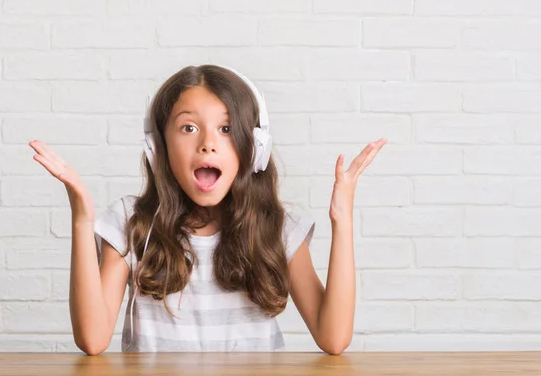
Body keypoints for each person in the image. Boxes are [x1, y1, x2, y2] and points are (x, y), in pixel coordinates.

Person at [29, 64, 387, 355]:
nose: (208, 145)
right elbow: (92, 340)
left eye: (227, 128)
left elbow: (333, 338)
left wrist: (342, 221)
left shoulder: (277, 227)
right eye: (188, 127)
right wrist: (81, 217)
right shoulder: (131, 223)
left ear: (255, 147)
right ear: (158, 147)